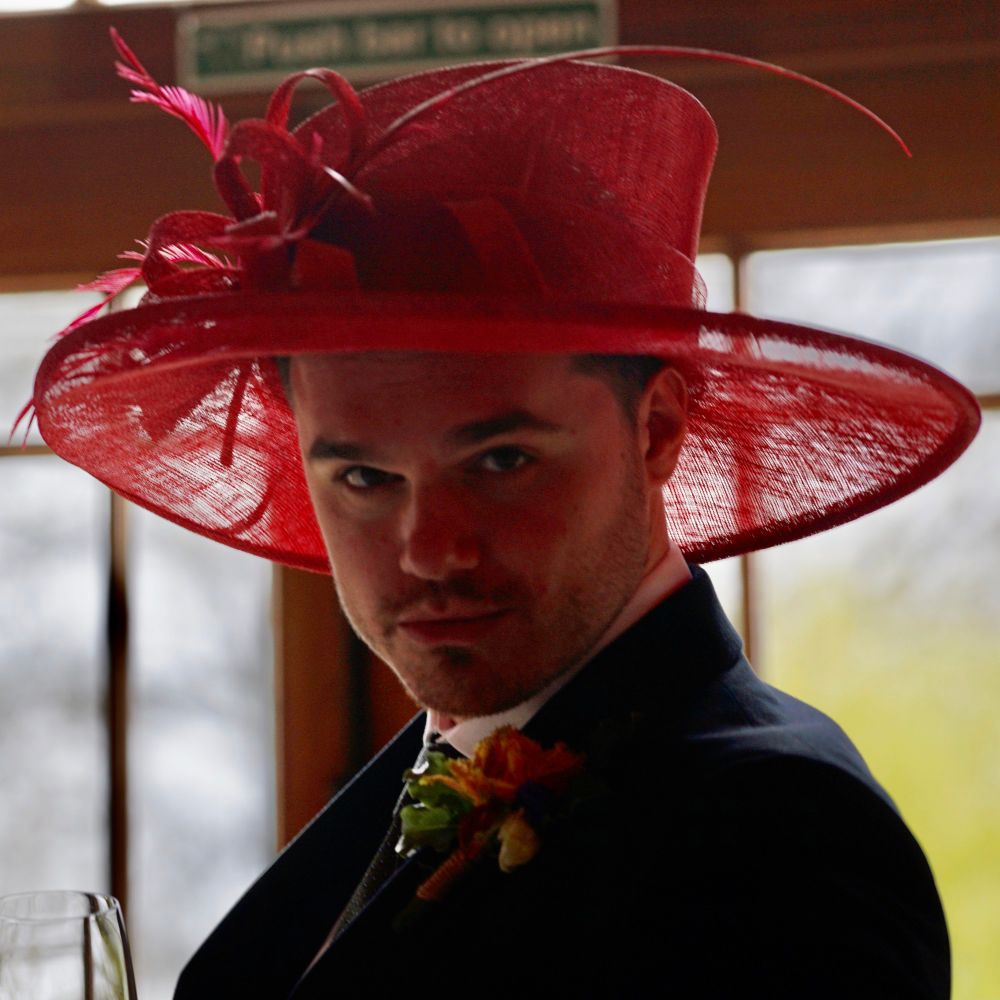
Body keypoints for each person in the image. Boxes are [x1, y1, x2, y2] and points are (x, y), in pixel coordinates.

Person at [28, 36, 980, 999]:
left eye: (500, 460)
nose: (430, 546)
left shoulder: (783, 839)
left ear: (656, 429)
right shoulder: (427, 776)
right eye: (363, 478)